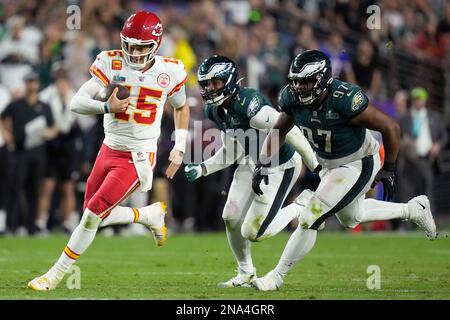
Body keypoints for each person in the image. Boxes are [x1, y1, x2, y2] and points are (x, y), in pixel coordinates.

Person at [27, 11, 190, 291]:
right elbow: (77, 102)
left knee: (92, 215)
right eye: (130, 44)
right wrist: (106, 107)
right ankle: (147, 215)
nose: (134, 52)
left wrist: (180, 146)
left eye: (141, 47)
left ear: (156, 44)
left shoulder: (170, 70)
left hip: (137, 155)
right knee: (90, 213)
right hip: (108, 148)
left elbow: (181, 106)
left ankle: (53, 276)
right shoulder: (110, 60)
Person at [251, 50, 437, 291]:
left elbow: (390, 127)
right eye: (295, 81)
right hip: (330, 165)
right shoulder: (292, 98)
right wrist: (262, 163)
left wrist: (389, 168)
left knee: (311, 215)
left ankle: (276, 277)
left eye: (305, 82)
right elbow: (279, 131)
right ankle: (414, 209)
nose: (299, 87)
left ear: (322, 80)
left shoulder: (344, 98)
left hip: (358, 161)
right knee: (351, 217)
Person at [184, 55, 320, 288]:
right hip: (252, 162)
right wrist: (204, 167)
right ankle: (246, 272)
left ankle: (301, 204)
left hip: (280, 164)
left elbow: (291, 132)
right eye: (205, 84)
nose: (209, 89)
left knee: (255, 232)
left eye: (214, 83)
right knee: (230, 217)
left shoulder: (250, 104)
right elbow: (232, 151)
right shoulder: (215, 110)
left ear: (228, 80)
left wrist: (316, 166)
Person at [0, 71, 58, 235]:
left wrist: (49, 133)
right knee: (16, 188)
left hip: (38, 152)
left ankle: (31, 227)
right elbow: (2, 118)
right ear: (26, 84)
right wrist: (6, 134)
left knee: (34, 190)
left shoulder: (44, 106)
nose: (31, 85)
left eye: (33, 82)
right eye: (29, 82)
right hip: (20, 151)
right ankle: (11, 226)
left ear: (37, 84)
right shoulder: (16, 105)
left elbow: (54, 127)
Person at [398, 87, 448, 208]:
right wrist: (403, 143)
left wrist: (438, 145)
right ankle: (406, 223)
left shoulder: (433, 116)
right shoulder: (405, 118)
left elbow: (444, 135)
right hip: (409, 159)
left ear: (425, 100)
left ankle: (429, 218)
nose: (418, 102)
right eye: (415, 99)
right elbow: (398, 137)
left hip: (426, 158)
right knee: (407, 190)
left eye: (420, 99)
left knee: (427, 189)